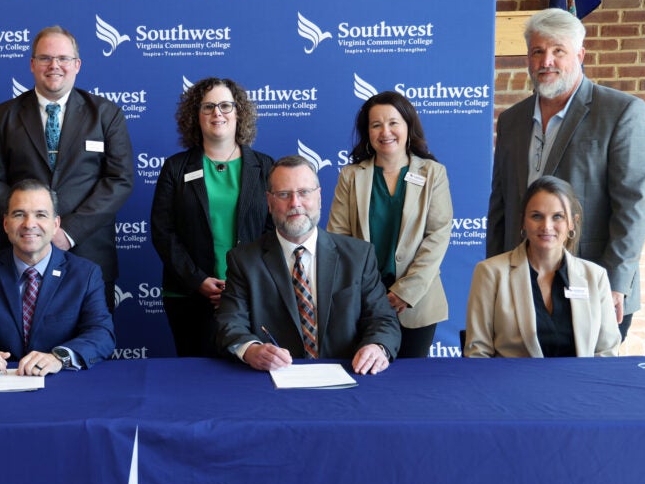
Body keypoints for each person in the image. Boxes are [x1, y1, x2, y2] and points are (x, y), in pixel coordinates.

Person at [488, 7, 645, 341]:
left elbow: (634, 207)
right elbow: (501, 207)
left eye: (558, 51)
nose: (546, 61)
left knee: (584, 377)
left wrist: (615, 284)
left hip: (593, 285)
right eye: (537, 51)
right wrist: (494, 276)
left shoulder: (621, 111)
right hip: (521, 286)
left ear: (580, 55)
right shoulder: (511, 120)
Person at [0, 25, 134, 310]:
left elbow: (118, 180)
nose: (54, 66)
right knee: (21, 335)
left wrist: (68, 231)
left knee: (92, 334)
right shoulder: (2, 116)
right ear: (32, 64)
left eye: (63, 58)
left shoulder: (106, 114)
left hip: (89, 252)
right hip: (22, 253)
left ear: (77, 65)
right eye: (45, 58)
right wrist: (30, 227)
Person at [216, 155, 400, 375]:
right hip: (273, 378)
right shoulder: (244, 260)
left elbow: (383, 319)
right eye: (284, 194)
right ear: (269, 202)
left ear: (319, 197)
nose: (295, 203)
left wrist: (377, 346)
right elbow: (230, 321)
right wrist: (250, 350)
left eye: (304, 192)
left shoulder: (359, 256)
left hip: (348, 375)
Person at [0, 179, 115, 377]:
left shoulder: (85, 274)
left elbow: (101, 334)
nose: (29, 224)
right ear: (6, 224)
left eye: (40, 215)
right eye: (19, 214)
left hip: (62, 381)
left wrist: (59, 358)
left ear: (55, 224)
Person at [150, 77, 274, 357]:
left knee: (248, 372)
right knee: (196, 375)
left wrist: (241, 281)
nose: (217, 113)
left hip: (251, 292)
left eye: (225, 106)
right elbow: (163, 232)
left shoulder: (265, 166)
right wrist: (198, 280)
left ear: (239, 113)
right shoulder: (176, 167)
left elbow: (273, 230)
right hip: (188, 294)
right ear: (196, 116)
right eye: (208, 107)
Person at [328, 91, 453, 358]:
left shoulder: (433, 173)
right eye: (376, 125)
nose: (385, 132)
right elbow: (338, 239)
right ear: (367, 133)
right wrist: (366, 294)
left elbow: (438, 236)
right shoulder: (350, 176)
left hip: (416, 302)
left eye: (393, 122)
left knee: (410, 378)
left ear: (408, 126)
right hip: (363, 301)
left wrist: (406, 291)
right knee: (366, 372)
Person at [466, 176, 619, 358]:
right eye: (536, 216)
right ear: (523, 221)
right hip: (513, 377)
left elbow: (607, 352)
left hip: (581, 377)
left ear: (572, 223)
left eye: (557, 217)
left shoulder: (596, 276)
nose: (546, 226)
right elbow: (478, 353)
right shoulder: (490, 273)